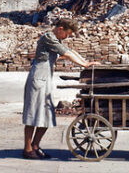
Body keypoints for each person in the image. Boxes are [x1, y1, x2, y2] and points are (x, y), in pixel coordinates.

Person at [22, 18, 97, 159]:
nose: (67, 37)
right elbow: (66, 54)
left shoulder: (56, 39)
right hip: (38, 77)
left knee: (46, 115)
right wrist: (84, 65)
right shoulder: (48, 37)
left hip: (46, 78)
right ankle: (27, 148)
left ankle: (36, 146)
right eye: (67, 34)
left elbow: (70, 51)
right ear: (60, 28)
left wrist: (86, 62)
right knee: (33, 114)